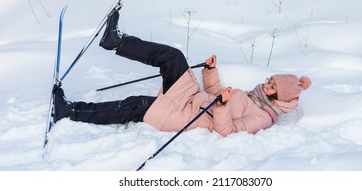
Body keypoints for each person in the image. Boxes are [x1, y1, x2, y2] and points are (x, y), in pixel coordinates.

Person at [53, 11, 311, 136]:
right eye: (269, 80)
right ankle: (116, 41)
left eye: (272, 87)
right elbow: (213, 93)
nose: (266, 84)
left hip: (188, 116)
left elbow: (227, 131)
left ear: (279, 97)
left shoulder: (263, 118)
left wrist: (221, 105)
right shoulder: (251, 96)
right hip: (192, 98)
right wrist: (210, 72)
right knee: (173, 58)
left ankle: (70, 111)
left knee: (138, 105)